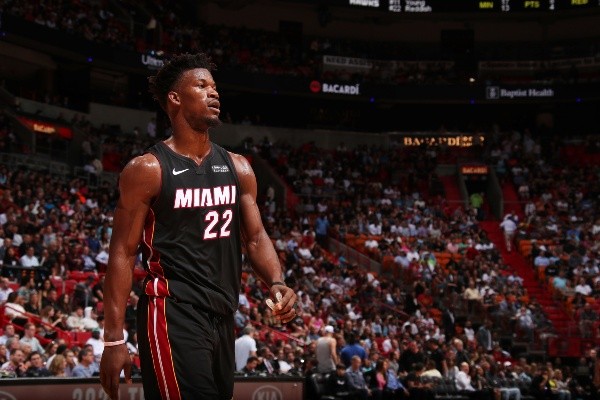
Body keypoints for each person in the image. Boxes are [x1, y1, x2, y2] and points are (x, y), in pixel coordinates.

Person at [100, 52, 298, 400]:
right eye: (202, 85)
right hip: (172, 311)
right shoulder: (147, 169)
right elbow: (122, 253)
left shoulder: (239, 167)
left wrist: (277, 282)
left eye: (215, 86)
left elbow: (255, 238)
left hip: (223, 315)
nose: (214, 92)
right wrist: (114, 339)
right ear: (175, 98)